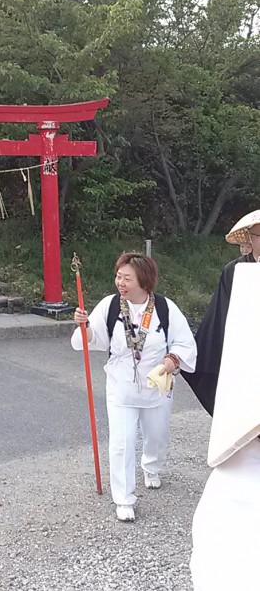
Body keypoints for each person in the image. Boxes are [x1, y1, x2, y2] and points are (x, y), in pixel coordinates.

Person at [72, 252, 197, 522]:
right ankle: (124, 498)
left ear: (144, 281)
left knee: (156, 435)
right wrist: (85, 327)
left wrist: (171, 359)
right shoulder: (110, 305)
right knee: (122, 441)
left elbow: (185, 344)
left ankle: (152, 467)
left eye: (127, 278)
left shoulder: (165, 308)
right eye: (119, 276)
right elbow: (94, 340)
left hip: (156, 384)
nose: (121, 283)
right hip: (121, 385)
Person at [187, 210, 260, 591]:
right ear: (249, 239)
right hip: (248, 389)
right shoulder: (237, 274)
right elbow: (220, 332)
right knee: (229, 509)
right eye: (259, 235)